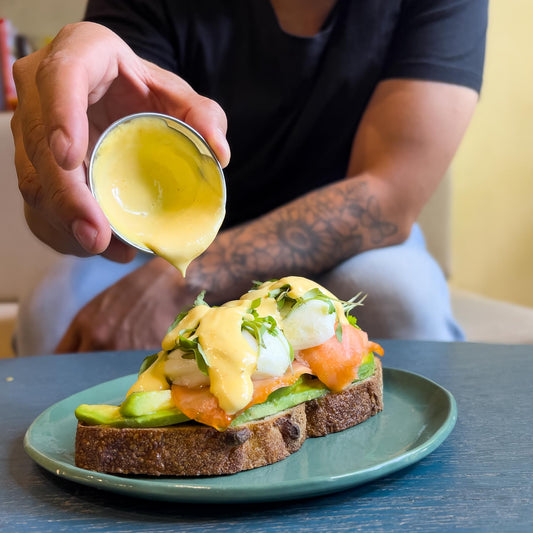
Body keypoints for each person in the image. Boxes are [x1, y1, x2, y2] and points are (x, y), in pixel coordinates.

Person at [11, 0, 488, 356]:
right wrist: (60, 186)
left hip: (348, 243)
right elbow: (97, 154)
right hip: (161, 248)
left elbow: (388, 197)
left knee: (402, 304)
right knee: (51, 312)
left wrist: (183, 280)